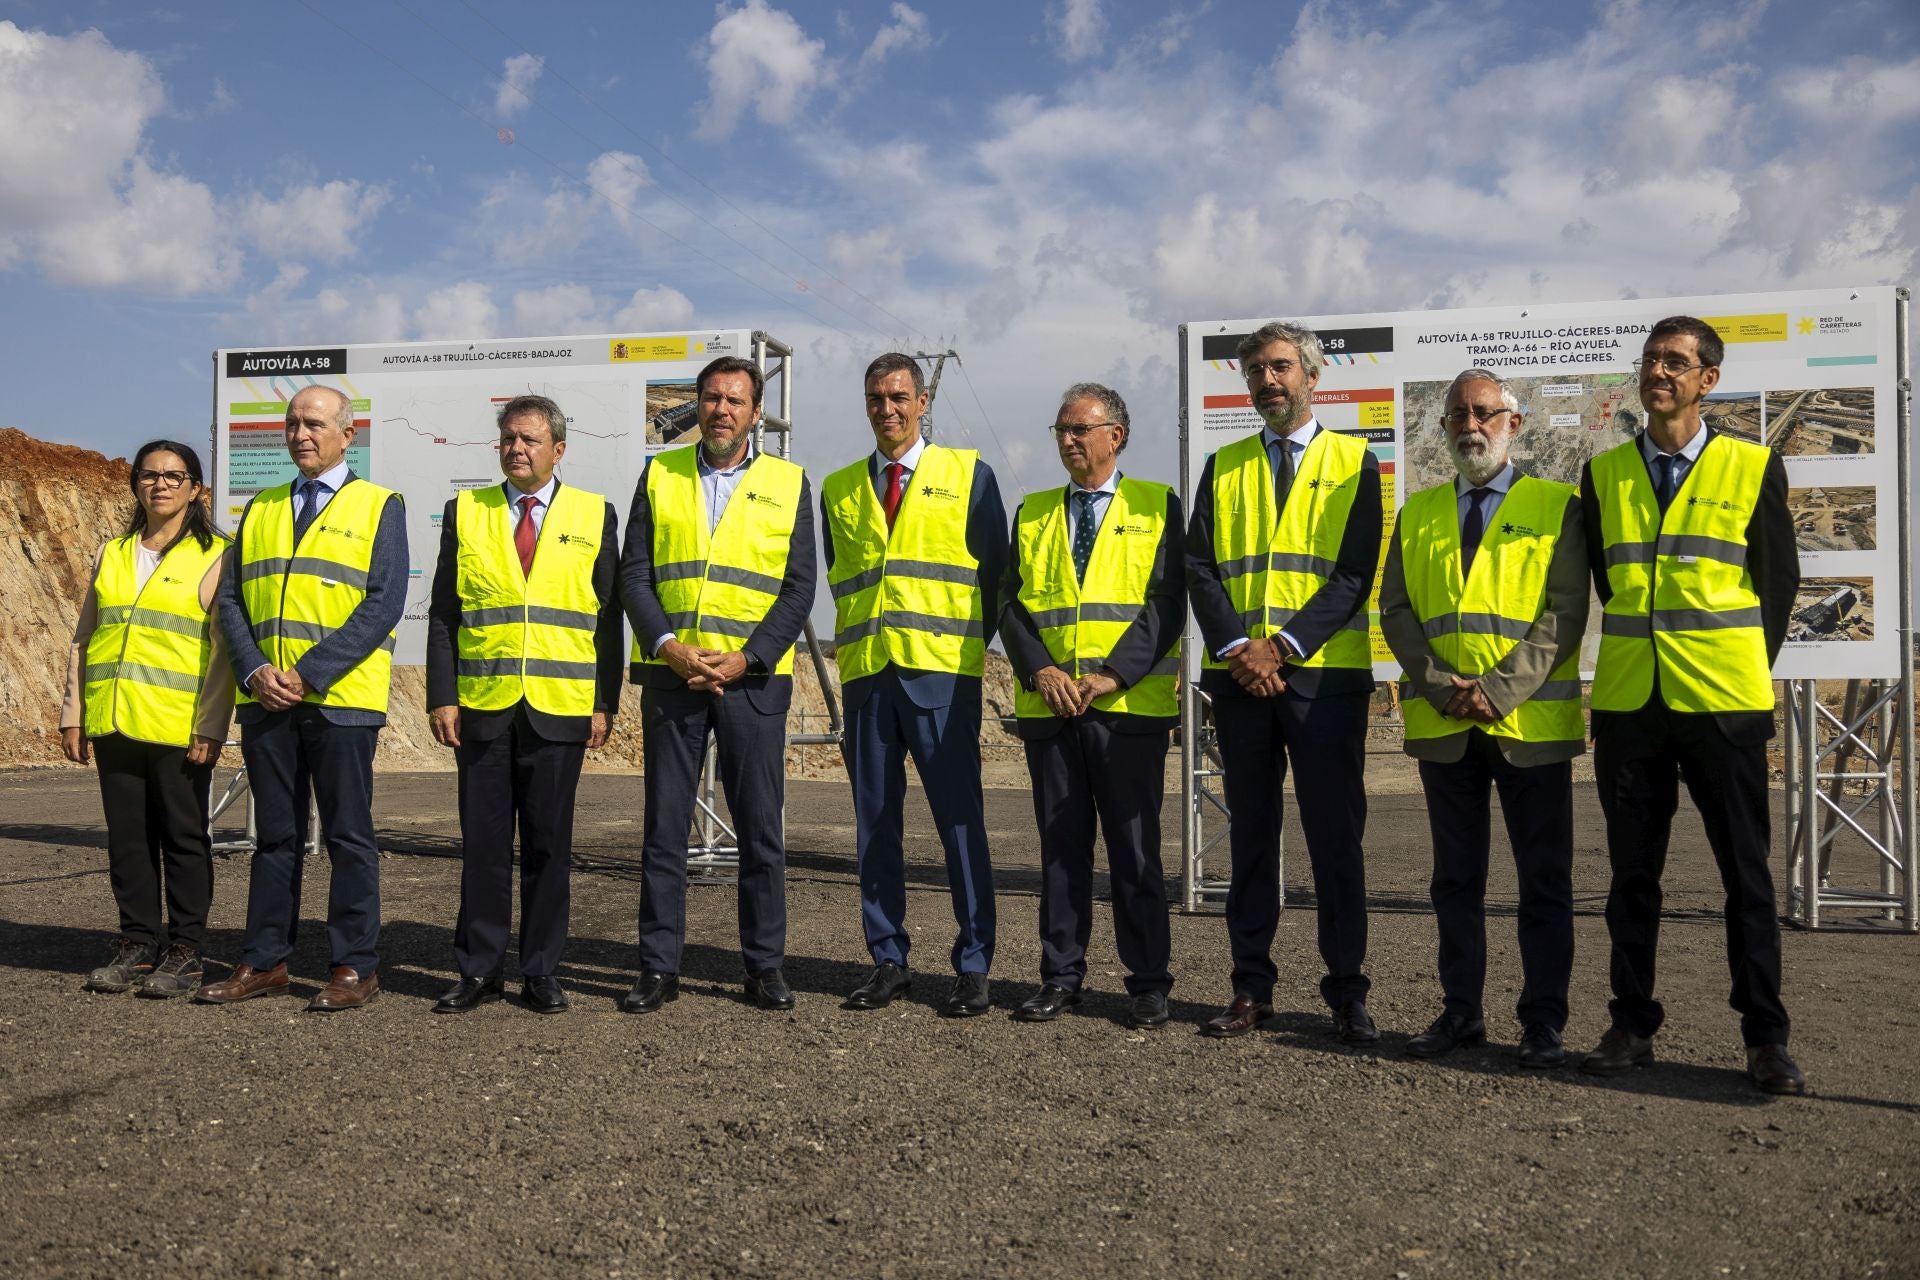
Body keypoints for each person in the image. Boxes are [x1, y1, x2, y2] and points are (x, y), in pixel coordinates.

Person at [1578, 316, 1805, 1095]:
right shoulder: (1604, 475)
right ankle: (1631, 1022)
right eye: (1650, 361)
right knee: (1631, 877)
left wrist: (1734, 663)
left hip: (1723, 706)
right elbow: (1613, 585)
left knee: (1746, 875)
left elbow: (1776, 586)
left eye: (1676, 362)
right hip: (1632, 704)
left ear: (1708, 378)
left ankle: (1765, 1038)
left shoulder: (1751, 466)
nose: (1658, 372)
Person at [1379, 369, 1586, 1068]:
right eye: (1458, 415)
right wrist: (1443, 688)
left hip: (1529, 729)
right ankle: (1461, 1012)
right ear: (1441, 428)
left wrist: (1497, 690)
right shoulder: (1419, 513)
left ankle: (1542, 1022)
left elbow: (1564, 614)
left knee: (1544, 883)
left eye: (1485, 413)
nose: (1471, 425)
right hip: (1446, 727)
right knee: (1456, 882)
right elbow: (1398, 612)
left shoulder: (1559, 505)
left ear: (1514, 424)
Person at [1185, 320, 1383, 1042]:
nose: (1268, 382)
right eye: (1256, 372)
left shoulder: (1354, 462)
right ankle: (1250, 989)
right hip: (1241, 681)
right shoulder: (1224, 464)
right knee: (1251, 842)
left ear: (1311, 375)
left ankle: (1347, 993)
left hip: (1323, 683)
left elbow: (1354, 573)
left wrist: (1285, 647)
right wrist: (1242, 646)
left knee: (1337, 842)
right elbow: (1200, 568)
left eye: (1280, 368)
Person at [196, 384, 408, 1012]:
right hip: (266, 700)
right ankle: (264, 962)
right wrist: (258, 669)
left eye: (315, 424)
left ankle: (353, 967)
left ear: (348, 435)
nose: (301, 434)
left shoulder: (379, 505)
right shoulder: (259, 507)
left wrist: (309, 673)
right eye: (292, 424)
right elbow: (229, 600)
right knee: (276, 838)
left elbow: (382, 601)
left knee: (348, 837)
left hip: (339, 700)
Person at [618, 356, 816, 1014]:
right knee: (664, 830)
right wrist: (669, 648)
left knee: (760, 831)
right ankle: (658, 967)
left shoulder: (790, 484)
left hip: (752, 685)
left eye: (735, 400)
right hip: (674, 678)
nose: (721, 410)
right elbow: (635, 576)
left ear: (757, 413)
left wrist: (748, 659)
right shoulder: (660, 473)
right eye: (711, 399)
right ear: (697, 408)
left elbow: (798, 590)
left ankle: (763, 967)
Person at [822, 352, 1009, 1017]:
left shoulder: (968, 476)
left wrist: (958, 654)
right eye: (875, 398)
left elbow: (994, 579)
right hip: (870, 679)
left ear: (923, 401)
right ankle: (889, 959)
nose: (887, 409)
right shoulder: (840, 488)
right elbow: (843, 577)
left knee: (960, 825)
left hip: (941, 679)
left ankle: (974, 963)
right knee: (875, 828)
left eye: (899, 397)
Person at [426, 395, 623, 1015]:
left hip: (560, 708)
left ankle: (541, 970)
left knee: (547, 847)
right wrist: (442, 694)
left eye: (530, 440)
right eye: (508, 438)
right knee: (483, 847)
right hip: (483, 707)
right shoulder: (467, 512)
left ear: (558, 449)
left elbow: (608, 620)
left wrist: (604, 702)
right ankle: (479, 970)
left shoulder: (596, 514)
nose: (516, 449)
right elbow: (443, 614)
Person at [1000, 383, 1183, 1030]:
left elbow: (1165, 604)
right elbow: (1009, 603)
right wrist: (1040, 668)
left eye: (1082, 429)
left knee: (1136, 852)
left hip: (1127, 709)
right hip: (1052, 710)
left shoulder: (1159, 505)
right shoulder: (1031, 512)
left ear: (1117, 435)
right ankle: (1060, 976)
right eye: (1061, 430)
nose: (1070, 440)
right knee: (1061, 849)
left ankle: (1148, 983)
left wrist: (1111, 675)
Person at [60, 441, 234, 998]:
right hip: (114, 720)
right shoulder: (113, 553)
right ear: (136, 484)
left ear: (196, 489)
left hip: (178, 725)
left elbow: (223, 651)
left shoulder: (218, 555)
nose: (160, 485)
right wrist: (74, 713)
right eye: (149, 475)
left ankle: (186, 950)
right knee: (128, 840)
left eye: (174, 476)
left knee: (183, 837)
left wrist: (210, 725)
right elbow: (85, 637)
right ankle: (137, 943)